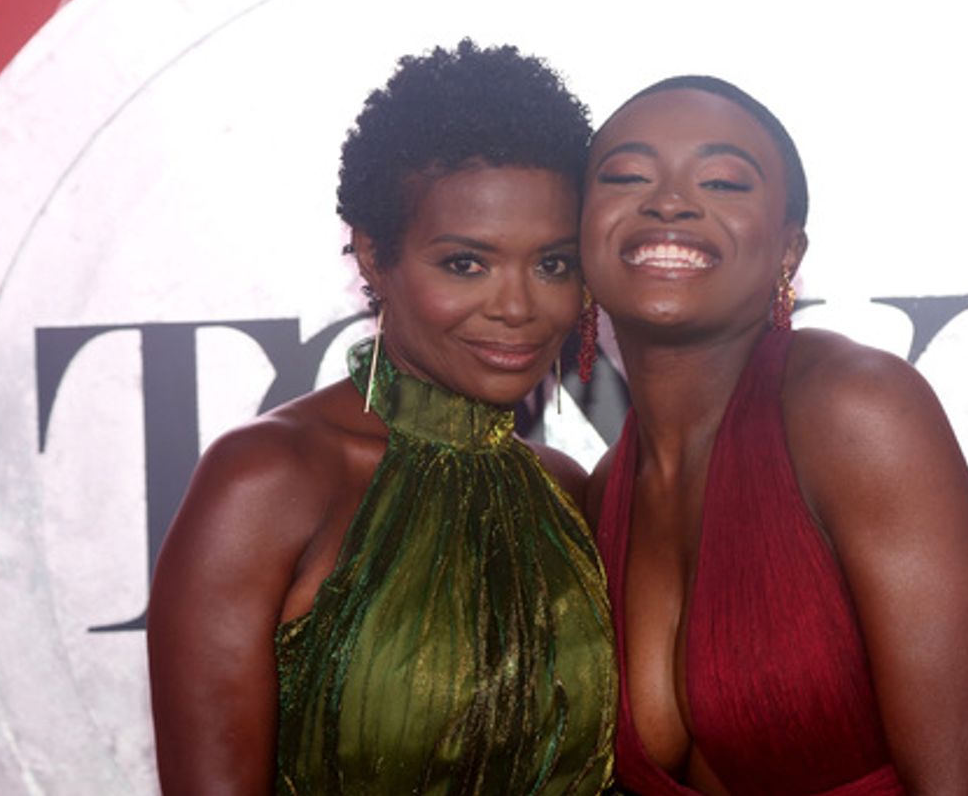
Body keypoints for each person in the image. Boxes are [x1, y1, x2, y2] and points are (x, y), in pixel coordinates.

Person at [147, 40, 616, 795]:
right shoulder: (271, 478)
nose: (519, 306)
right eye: (467, 262)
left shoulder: (567, 493)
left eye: (554, 263)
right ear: (373, 255)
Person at [578, 76, 968, 796]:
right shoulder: (599, 497)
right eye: (626, 175)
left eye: (722, 181)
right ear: (582, 231)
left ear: (788, 251)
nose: (669, 201)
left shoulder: (854, 410)